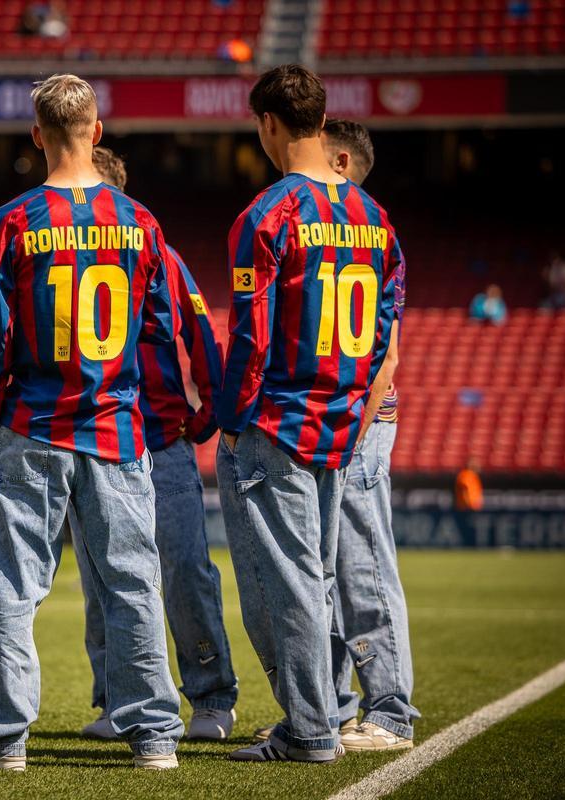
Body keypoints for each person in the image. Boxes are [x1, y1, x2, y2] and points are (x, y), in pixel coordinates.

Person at [0, 74, 183, 772]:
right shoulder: (141, 221)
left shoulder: (16, 220)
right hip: (117, 429)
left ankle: (1, 740)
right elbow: (160, 333)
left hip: (33, 424)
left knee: (16, 586)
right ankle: (153, 737)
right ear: (96, 129)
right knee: (132, 583)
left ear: (37, 135)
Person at [217, 66, 402, 765]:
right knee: (317, 576)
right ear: (322, 122)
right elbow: (386, 326)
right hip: (344, 423)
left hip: (282, 421)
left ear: (268, 125)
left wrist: (233, 418)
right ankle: (323, 715)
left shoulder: (268, 214)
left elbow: (252, 334)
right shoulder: (373, 216)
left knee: (292, 580)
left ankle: (309, 728)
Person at [77, 146, 238, 742]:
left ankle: (211, 695)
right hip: (95, 441)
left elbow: (201, 333)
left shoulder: (160, 256)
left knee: (185, 569)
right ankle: (119, 701)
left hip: (159, 441)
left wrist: (205, 417)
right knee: (101, 580)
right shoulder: (64, 259)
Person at [268, 117, 416, 751]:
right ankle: (329, 708)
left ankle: (389, 711)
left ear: (345, 161)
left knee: (361, 561)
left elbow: (386, 352)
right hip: (325, 415)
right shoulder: (344, 225)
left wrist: (358, 423)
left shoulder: (364, 224)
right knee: (320, 570)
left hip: (356, 420)